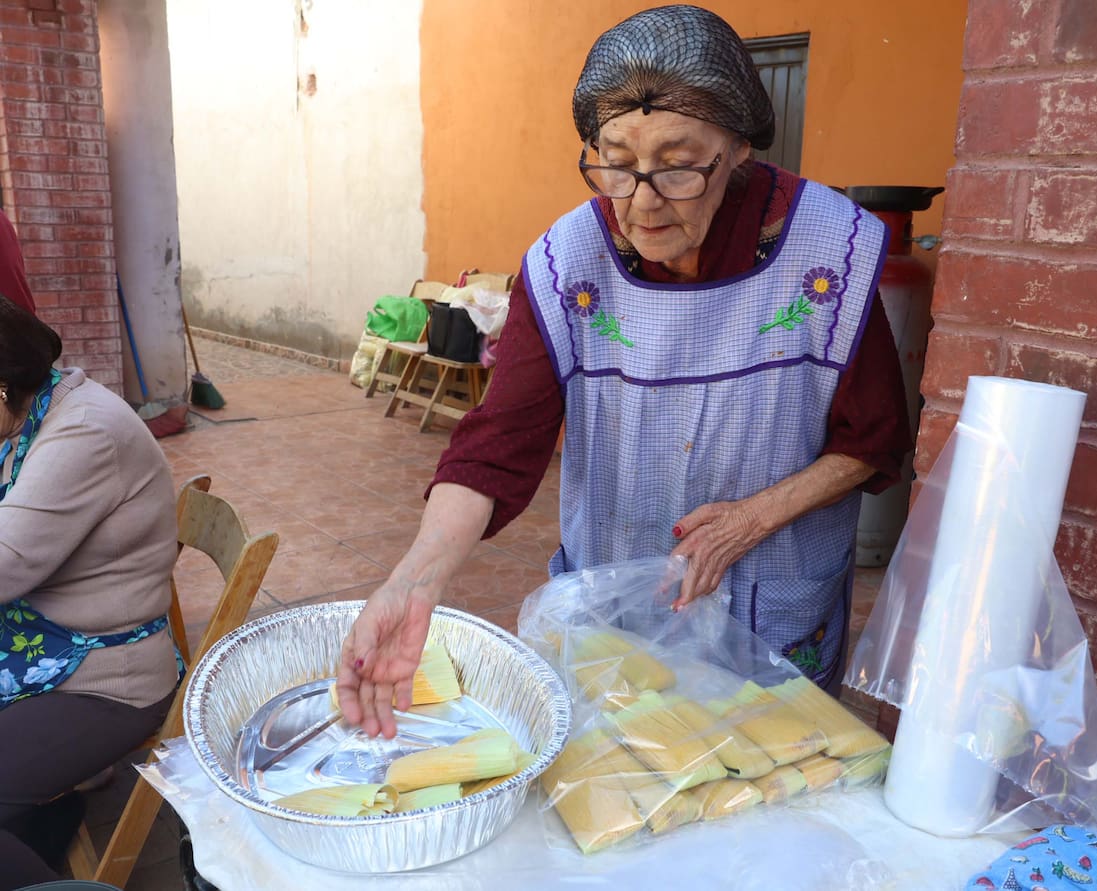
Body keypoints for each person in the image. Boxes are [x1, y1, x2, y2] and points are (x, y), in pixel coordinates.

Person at [339, 4, 911, 738]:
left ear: (738, 148)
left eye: (677, 165)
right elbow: (495, 444)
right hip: (616, 617)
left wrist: (751, 519)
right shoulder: (567, 263)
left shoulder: (831, 250)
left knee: (765, 787)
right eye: (615, 161)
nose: (641, 202)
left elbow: (873, 439)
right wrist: (413, 582)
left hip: (772, 610)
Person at [0, 290, 180, 887]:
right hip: (46, 645)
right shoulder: (30, 413)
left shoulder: (83, 431)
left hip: (106, 679)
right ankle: (43, 820)